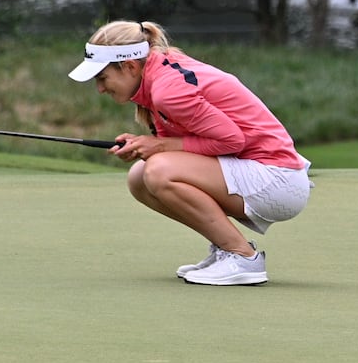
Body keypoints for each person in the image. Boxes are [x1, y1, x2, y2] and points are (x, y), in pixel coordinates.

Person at [68, 20, 311, 284]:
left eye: (102, 78)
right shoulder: (156, 74)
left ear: (129, 66)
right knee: (139, 177)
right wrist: (143, 146)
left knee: (159, 170)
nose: (100, 88)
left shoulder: (167, 90)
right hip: (260, 174)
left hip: (278, 180)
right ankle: (225, 247)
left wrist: (158, 147)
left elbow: (232, 141)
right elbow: (190, 142)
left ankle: (242, 257)